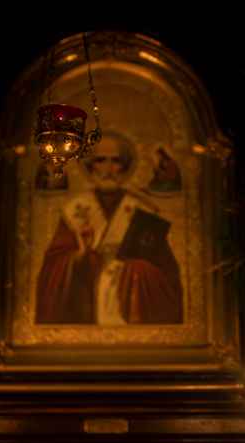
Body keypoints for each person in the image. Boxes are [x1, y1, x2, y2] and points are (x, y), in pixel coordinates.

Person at [35, 133, 183, 325]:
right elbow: (53, 268)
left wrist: (139, 270)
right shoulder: (75, 210)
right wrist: (80, 256)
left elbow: (166, 269)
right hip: (87, 300)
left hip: (132, 296)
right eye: (100, 160)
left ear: (125, 166)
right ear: (90, 165)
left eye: (116, 161)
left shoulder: (142, 209)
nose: (108, 169)